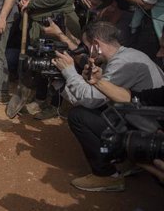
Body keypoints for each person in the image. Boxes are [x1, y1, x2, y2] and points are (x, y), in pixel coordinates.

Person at [51, 21, 164, 191]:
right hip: (145, 118)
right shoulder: (128, 55)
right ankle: (131, 160)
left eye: (87, 46)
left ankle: (106, 175)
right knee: (102, 107)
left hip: (151, 130)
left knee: (79, 116)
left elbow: (90, 100)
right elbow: (119, 94)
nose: (158, 53)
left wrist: (69, 73)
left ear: (96, 45)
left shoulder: (123, 63)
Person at [18, 0, 81, 119]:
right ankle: (39, 99)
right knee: (41, 64)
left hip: (58, 24)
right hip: (38, 22)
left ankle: (55, 106)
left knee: (56, 66)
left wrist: (33, 2)